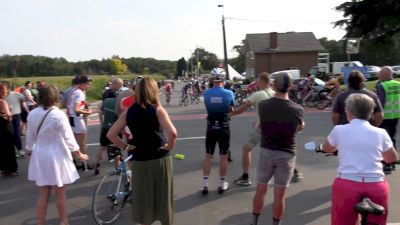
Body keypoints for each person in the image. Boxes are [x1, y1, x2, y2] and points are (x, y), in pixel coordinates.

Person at [107, 77, 177, 225]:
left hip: (139, 159)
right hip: (160, 158)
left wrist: (125, 146)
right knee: (163, 197)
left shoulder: (129, 112)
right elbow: (173, 133)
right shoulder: (157, 109)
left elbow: (111, 134)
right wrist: (169, 146)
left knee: (144, 199)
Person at [322, 93, 398, 225]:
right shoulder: (381, 133)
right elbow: (391, 158)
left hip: (347, 185)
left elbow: (327, 148)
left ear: (349, 112)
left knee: (342, 221)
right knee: (378, 221)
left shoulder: (339, 130)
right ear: (370, 113)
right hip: (376, 184)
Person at [26, 85, 89, 225]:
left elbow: (30, 138)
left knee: (44, 192)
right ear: (55, 97)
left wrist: (30, 152)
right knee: (60, 192)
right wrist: (79, 154)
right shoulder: (58, 114)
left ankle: (40, 222)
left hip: (40, 154)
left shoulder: (33, 114)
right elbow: (69, 138)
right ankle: (63, 221)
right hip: (57, 155)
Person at [251, 72, 304, 225]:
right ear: (291, 86)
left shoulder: (263, 105)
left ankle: (254, 221)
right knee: (280, 196)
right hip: (287, 154)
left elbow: (262, 124)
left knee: (261, 189)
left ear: (273, 86)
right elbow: (299, 127)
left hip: (266, 150)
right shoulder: (297, 109)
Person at [230, 72, 275, 186]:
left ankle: (245, 177)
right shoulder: (275, 93)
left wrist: (229, 114)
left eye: (257, 81)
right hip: (275, 127)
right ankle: (293, 171)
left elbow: (243, 108)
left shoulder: (258, 94)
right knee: (279, 151)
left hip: (261, 128)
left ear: (262, 82)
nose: (256, 83)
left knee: (246, 149)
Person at [201, 69, 235, 195]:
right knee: (223, 156)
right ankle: (221, 184)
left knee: (208, 156)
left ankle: (205, 185)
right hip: (224, 127)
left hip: (210, 127)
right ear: (223, 79)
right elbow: (231, 109)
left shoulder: (207, 93)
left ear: (211, 79)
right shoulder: (229, 93)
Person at [66, 75, 93, 171]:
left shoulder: (73, 90)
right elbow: (76, 109)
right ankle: (84, 163)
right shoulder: (79, 93)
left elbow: (74, 105)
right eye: (87, 84)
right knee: (82, 143)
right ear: (81, 83)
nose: (89, 86)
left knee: (75, 142)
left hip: (72, 118)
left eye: (89, 84)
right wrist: (88, 112)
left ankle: (74, 162)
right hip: (77, 119)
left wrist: (85, 104)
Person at [94, 91, 119, 175]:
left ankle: (98, 165)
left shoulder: (106, 101)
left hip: (105, 126)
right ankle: (117, 167)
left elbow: (100, 113)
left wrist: (102, 123)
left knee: (102, 147)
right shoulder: (118, 102)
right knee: (116, 148)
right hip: (115, 127)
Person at [3, 81, 29, 158]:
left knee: (16, 134)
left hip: (15, 116)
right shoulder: (1, 96)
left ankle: (20, 150)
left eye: (2, 88)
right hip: (3, 117)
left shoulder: (16, 94)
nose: (1, 90)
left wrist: (26, 92)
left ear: (8, 88)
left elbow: (26, 99)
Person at [376, 66, 400, 148]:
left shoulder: (382, 86)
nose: (379, 76)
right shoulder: (398, 84)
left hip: (384, 115)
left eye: (380, 75)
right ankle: (393, 155)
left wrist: (375, 113)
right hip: (396, 115)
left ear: (384, 75)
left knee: (382, 137)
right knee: (392, 135)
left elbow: (380, 102)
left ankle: (385, 157)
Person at [0, 82, 19, 176]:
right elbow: (8, 115)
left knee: (3, 147)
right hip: (6, 125)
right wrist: (10, 113)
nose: (6, 91)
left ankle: (5, 168)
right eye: (4, 89)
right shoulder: (3, 101)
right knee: (9, 147)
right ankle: (11, 169)